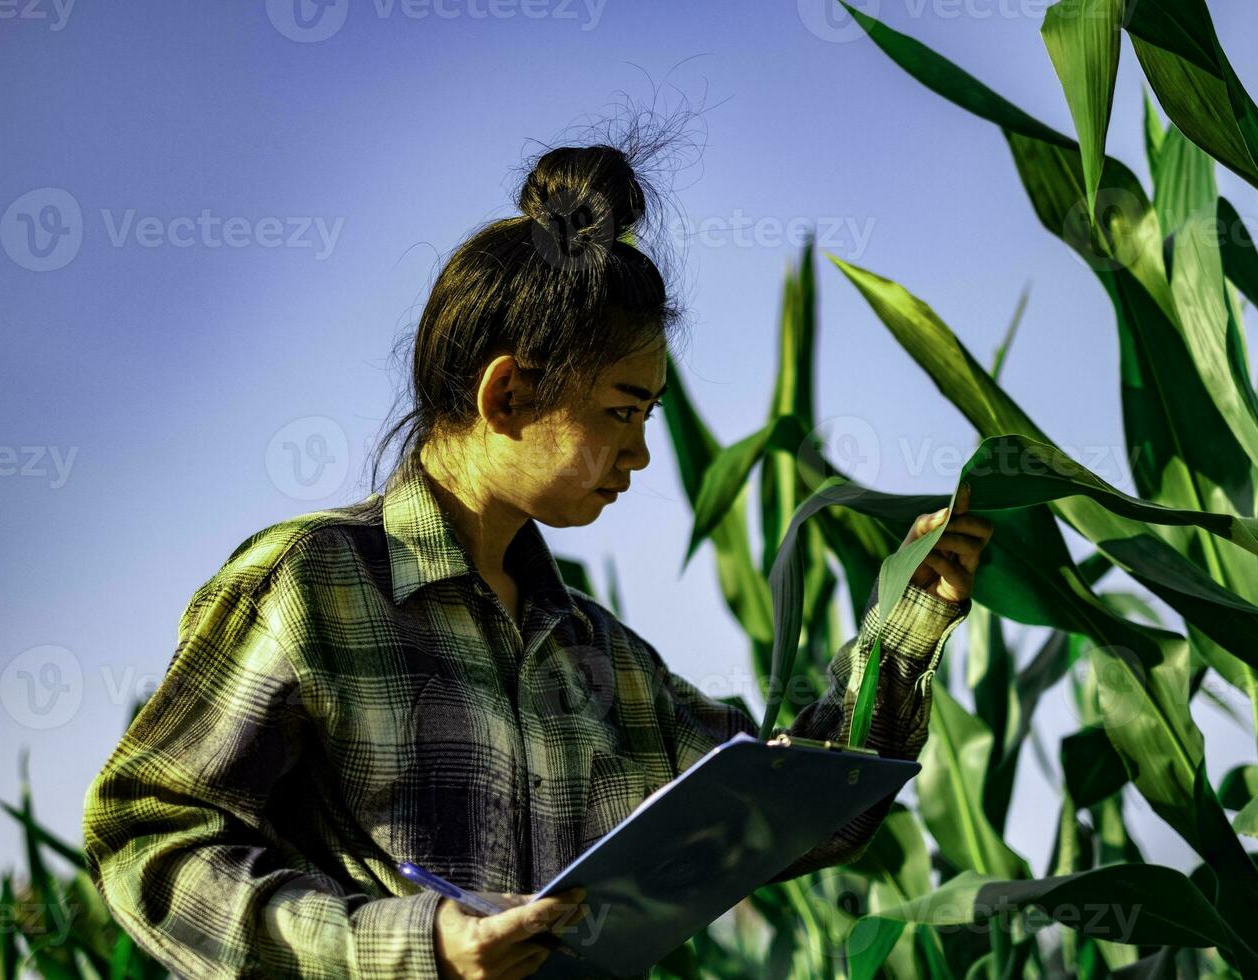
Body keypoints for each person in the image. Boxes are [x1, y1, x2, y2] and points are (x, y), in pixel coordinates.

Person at [82, 126, 992, 979]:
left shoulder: (599, 657)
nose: (639, 454)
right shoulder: (307, 587)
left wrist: (910, 622)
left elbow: (790, 808)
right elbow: (147, 842)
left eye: (649, 418)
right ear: (509, 393)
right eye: (621, 412)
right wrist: (413, 947)